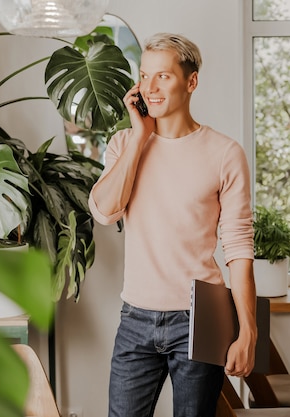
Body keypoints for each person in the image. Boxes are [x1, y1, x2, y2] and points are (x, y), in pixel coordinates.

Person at [88, 32, 257, 417]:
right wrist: (138, 138)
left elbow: (239, 248)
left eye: (162, 76)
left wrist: (249, 331)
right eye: (144, 76)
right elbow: (104, 211)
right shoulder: (123, 144)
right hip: (135, 317)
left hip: (202, 315)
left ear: (191, 81)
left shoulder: (225, 153)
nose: (150, 87)